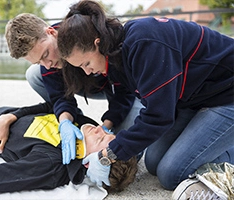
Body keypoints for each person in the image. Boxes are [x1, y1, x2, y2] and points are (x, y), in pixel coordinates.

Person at [56, 0, 234, 194]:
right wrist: (117, 136)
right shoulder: (116, 56)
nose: (87, 72)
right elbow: (135, 102)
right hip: (195, 99)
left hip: (227, 94)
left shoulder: (144, 42)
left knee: (171, 173)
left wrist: (109, 153)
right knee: (153, 161)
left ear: (97, 42)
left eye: (86, 63)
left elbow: (159, 116)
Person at [0, 92, 137, 200]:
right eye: (108, 133)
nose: (100, 129)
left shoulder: (51, 164)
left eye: (101, 139)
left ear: (89, 163)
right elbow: (50, 106)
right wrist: (11, 116)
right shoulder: (83, 126)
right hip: (7, 115)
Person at [5, 13, 143, 165]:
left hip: (124, 87)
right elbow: (60, 96)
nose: (47, 64)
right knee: (34, 74)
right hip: (87, 86)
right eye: (39, 61)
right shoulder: (49, 62)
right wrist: (65, 122)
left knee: (128, 153)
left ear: (51, 32)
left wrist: (106, 125)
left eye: (46, 54)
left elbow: (124, 92)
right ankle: (77, 121)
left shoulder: (83, 33)